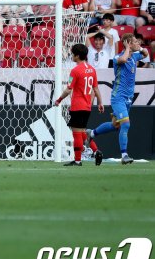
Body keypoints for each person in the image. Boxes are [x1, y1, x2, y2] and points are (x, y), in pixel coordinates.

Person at [85, 34, 151, 164]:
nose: (138, 43)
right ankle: (124, 155)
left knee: (115, 125)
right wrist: (127, 48)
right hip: (118, 97)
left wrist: (139, 47)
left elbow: (145, 53)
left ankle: (91, 133)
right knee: (125, 124)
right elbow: (122, 60)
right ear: (128, 44)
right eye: (135, 42)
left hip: (128, 98)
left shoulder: (135, 56)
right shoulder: (117, 57)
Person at [55, 44, 104, 166]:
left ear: (77, 56)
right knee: (82, 132)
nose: (72, 56)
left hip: (77, 106)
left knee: (76, 133)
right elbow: (96, 88)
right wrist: (100, 103)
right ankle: (96, 150)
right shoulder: (92, 69)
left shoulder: (75, 70)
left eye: (73, 54)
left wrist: (59, 100)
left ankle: (77, 160)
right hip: (87, 106)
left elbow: (68, 89)